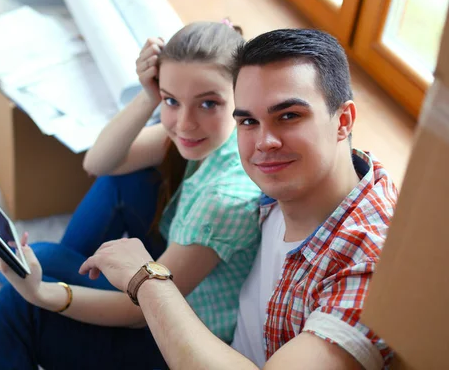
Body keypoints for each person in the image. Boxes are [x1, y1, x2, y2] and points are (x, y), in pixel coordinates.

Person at [79, 28, 398, 370]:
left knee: (27, 310)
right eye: (248, 120)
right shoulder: (300, 168)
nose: (265, 142)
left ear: (343, 121)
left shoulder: (369, 266)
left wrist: (146, 278)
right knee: (43, 270)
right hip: (211, 338)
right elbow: (100, 162)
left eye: (289, 116)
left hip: (209, 349)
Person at [0, 21, 263, 369]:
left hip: (176, 340)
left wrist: (43, 295)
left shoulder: (222, 197)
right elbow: (100, 162)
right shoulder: (219, 134)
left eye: (208, 103)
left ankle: (11, 292)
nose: (184, 123)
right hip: (167, 287)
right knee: (122, 184)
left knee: (24, 302)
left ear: (242, 95)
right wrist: (148, 96)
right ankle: (17, 288)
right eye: (171, 100)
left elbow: (138, 313)